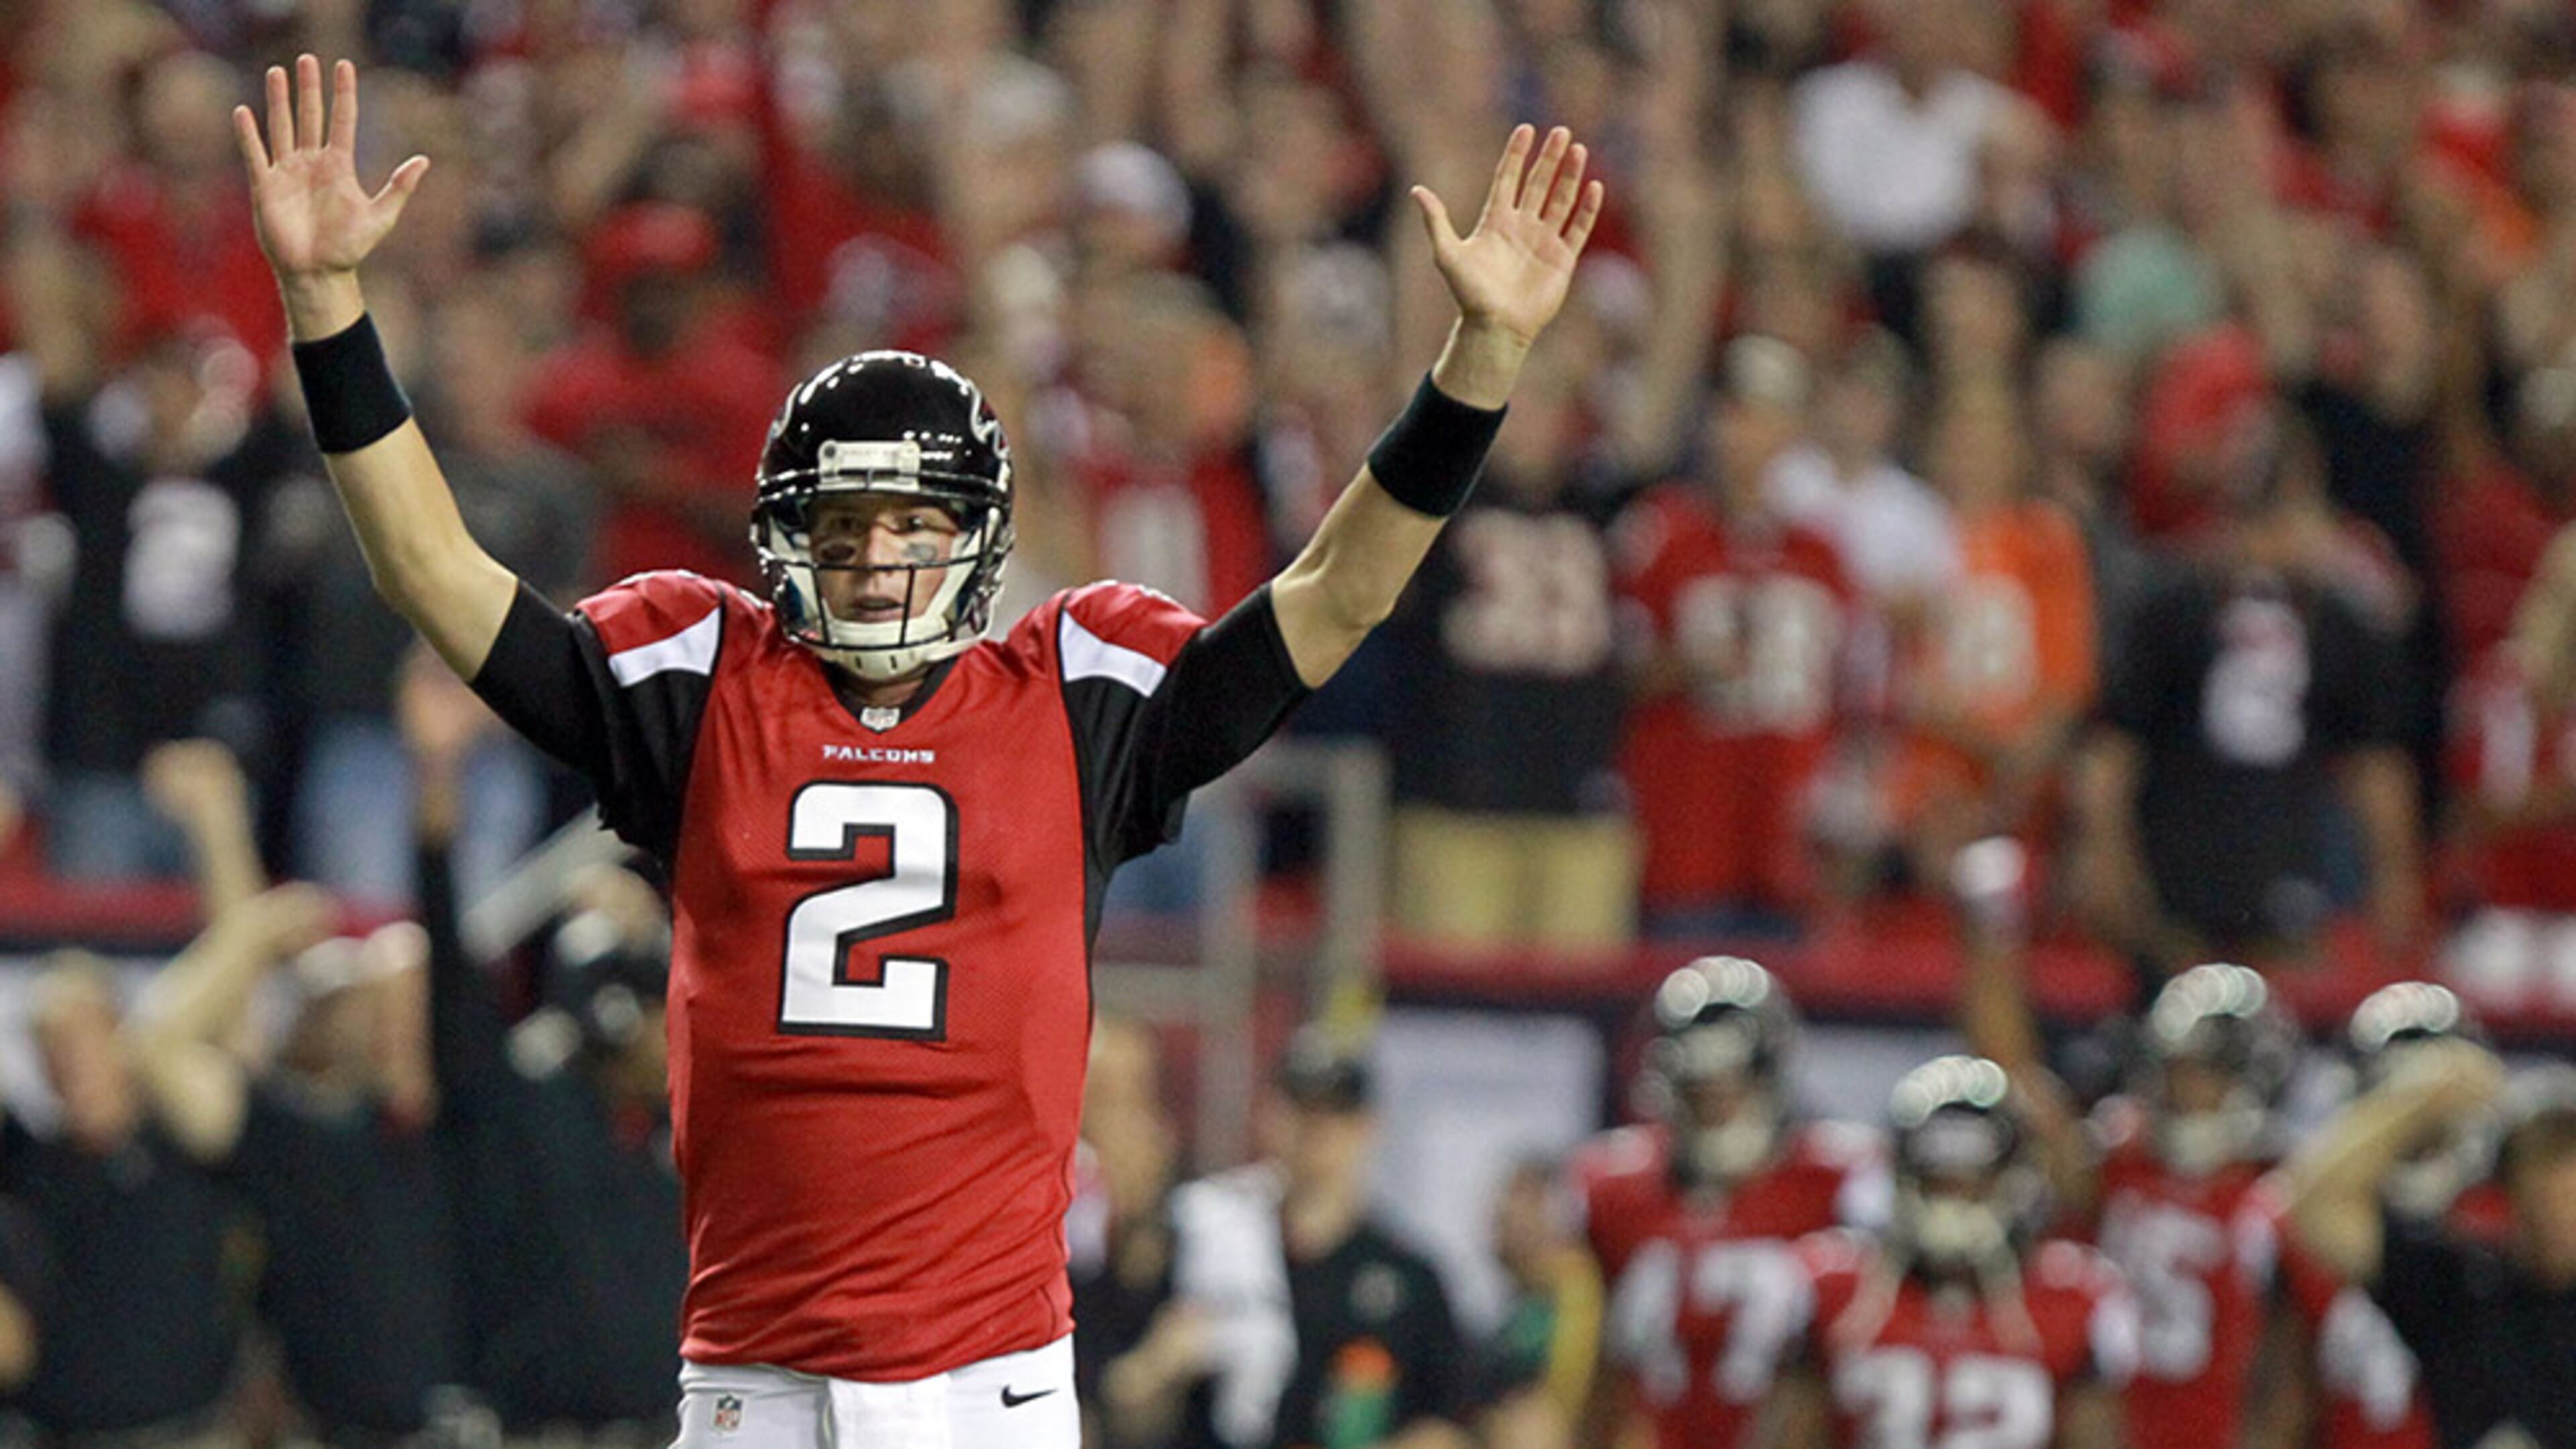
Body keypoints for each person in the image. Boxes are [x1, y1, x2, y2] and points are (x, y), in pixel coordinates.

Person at [233, 54, 1604, 1448]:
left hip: (986, 1384)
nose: (878, 556)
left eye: (910, 524)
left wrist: (1478, 362)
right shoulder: (705, 681)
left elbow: (1336, 593)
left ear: (975, 540)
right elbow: (435, 574)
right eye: (844, 527)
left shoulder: (1077, 693)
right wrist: (326, 308)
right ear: (789, 541)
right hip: (751, 1376)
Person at [1105, 1030, 1472, 1449]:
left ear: (1367, 1127)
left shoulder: (1409, 1279)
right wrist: (1161, 1364)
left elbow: (1447, 1424)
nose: (1315, 1131)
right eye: (1300, 1109)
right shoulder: (1201, 1239)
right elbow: (1118, 1408)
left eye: (1334, 1113)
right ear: (1269, 1117)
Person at [1570, 957, 1877, 1449]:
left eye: (1730, 1083)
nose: (1715, 1103)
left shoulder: (1840, 1180)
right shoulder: (1617, 1187)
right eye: (1699, 1086)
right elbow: (1603, 1369)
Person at [1755, 1056, 2137, 1449]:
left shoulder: (2073, 1296)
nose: (1951, 1202)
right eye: (1937, 1182)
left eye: (1970, 1184)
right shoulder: (1837, 1288)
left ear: (2013, 1182)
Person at [2284, 1032, 2576, 1448]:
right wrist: (2424, 1100)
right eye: (2541, 1170)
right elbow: (2316, 1205)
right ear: (2508, 1188)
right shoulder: (2463, 1287)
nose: (2557, 1201)